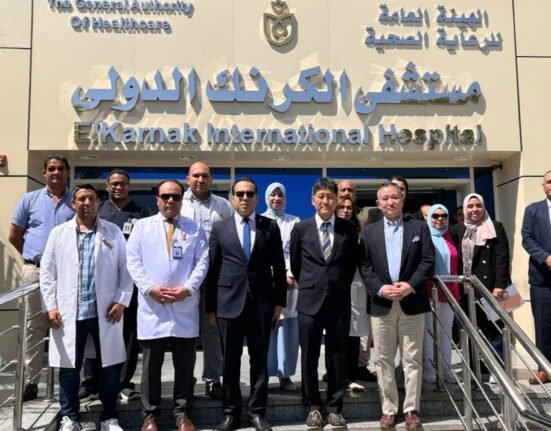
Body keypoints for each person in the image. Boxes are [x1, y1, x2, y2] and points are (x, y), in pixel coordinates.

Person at [40, 184, 133, 431]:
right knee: (69, 368)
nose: (87, 203)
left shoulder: (112, 231)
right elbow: (47, 273)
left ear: (98, 202)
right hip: (70, 313)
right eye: (81, 199)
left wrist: (121, 300)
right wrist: (50, 307)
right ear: (73, 203)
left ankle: (109, 418)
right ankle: (70, 418)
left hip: (105, 312)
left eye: (91, 198)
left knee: (110, 367)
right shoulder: (58, 234)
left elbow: (127, 269)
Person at [126, 180, 209, 431]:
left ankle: (182, 414)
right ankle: (150, 416)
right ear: (157, 200)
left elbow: (202, 262)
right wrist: (150, 288)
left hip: (184, 304)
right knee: (151, 366)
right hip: (153, 306)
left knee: (185, 365)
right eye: (165, 196)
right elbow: (132, 261)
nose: (170, 201)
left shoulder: (195, 228)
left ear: (182, 200)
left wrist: (188, 289)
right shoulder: (142, 227)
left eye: (175, 196)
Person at [206, 178, 286, 431]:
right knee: (229, 361)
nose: (244, 198)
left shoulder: (269, 226)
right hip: (228, 304)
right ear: (232, 197)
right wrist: (211, 308)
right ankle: (231, 413)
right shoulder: (220, 228)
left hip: (261, 304)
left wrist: (279, 304)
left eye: (249, 193)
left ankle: (257, 412)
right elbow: (213, 268)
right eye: (239, 193)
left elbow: (279, 268)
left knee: (259, 361)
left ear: (256, 198)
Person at [359, 181, 434, 429]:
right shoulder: (369, 231)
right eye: (385, 198)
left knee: (412, 359)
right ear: (378, 203)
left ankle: (411, 409)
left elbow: (427, 261)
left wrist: (410, 285)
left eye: (395, 197)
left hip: (412, 301)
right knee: (383, 360)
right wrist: (381, 288)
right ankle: (389, 409)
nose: (390, 202)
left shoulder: (419, 227)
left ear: (402, 200)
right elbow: (365, 266)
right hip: (382, 304)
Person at [290, 178, 358, 430]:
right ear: (313, 200)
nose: (326, 201)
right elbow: (296, 263)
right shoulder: (301, 228)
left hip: (338, 301)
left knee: (337, 356)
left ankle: (335, 408)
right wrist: (312, 284)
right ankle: (312, 407)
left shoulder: (348, 229)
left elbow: (350, 265)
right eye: (321, 196)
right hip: (309, 301)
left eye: (330, 196)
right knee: (309, 356)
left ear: (337, 199)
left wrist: (336, 284)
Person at [80, 169, 151, 402]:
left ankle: (123, 382)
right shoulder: (98, 210)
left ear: (129, 186)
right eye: (114, 184)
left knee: (128, 334)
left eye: (123, 183)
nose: (118, 187)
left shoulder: (141, 212)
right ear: (107, 186)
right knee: (94, 331)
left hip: (131, 282)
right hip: (99, 282)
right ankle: (91, 381)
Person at [9, 154, 75, 401]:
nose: (56, 173)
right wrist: (34, 259)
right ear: (45, 172)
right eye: (52, 169)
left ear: (68, 173)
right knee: (33, 327)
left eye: (61, 169)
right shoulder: (30, 200)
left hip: (68, 273)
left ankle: (68, 383)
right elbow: (15, 235)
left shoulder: (76, 201)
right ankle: (30, 382)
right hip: (35, 271)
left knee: (68, 326)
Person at [181, 161, 233, 400]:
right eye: (196, 175)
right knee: (186, 330)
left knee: (212, 328)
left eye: (205, 175)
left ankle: (213, 378)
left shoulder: (223, 205)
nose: (200, 180)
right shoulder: (178, 203)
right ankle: (185, 379)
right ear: (188, 179)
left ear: (211, 179)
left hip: (215, 277)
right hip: (185, 277)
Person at [451, 193, 511, 365]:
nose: (474, 209)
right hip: (467, 288)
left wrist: (500, 285)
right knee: (470, 328)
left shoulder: (496, 226)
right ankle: (475, 367)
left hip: (494, 287)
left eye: (478, 205)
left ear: (484, 207)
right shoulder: (457, 229)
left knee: (497, 328)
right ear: (465, 209)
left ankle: (499, 367)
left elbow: (502, 258)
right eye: (470, 206)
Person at [261, 182, 300, 392]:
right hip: (267, 282)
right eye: (272, 195)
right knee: (267, 328)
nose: (276, 198)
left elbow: (296, 252)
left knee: (287, 330)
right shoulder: (259, 221)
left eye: (280, 195)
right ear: (266, 197)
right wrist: (274, 276)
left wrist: (290, 274)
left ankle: (285, 375)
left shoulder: (294, 222)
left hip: (290, 284)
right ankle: (265, 374)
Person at [335, 199, 375, 391]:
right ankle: (338, 374)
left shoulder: (360, 233)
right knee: (338, 332)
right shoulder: (331, 230)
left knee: (355, 332)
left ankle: (351, 374)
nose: (345, 210)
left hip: (357, 286)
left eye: (349, 208)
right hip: (337, 286)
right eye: (341, 207)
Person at [422, 204, 460, 384]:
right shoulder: (424, 236)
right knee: (428, 330)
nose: (439, 219)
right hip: (429, 290)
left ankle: (445, 366)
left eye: (443, 216)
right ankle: (428, 366)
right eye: (435, 216)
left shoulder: (451, 236)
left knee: (446, 330)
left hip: (450, 290)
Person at [521, 170, 551, 384]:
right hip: (542, 279)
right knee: (543, 325)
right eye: (549, 182)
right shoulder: (533, 210)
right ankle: (544, 368)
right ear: (543, 186)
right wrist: (546, 258)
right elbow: (527, 238)